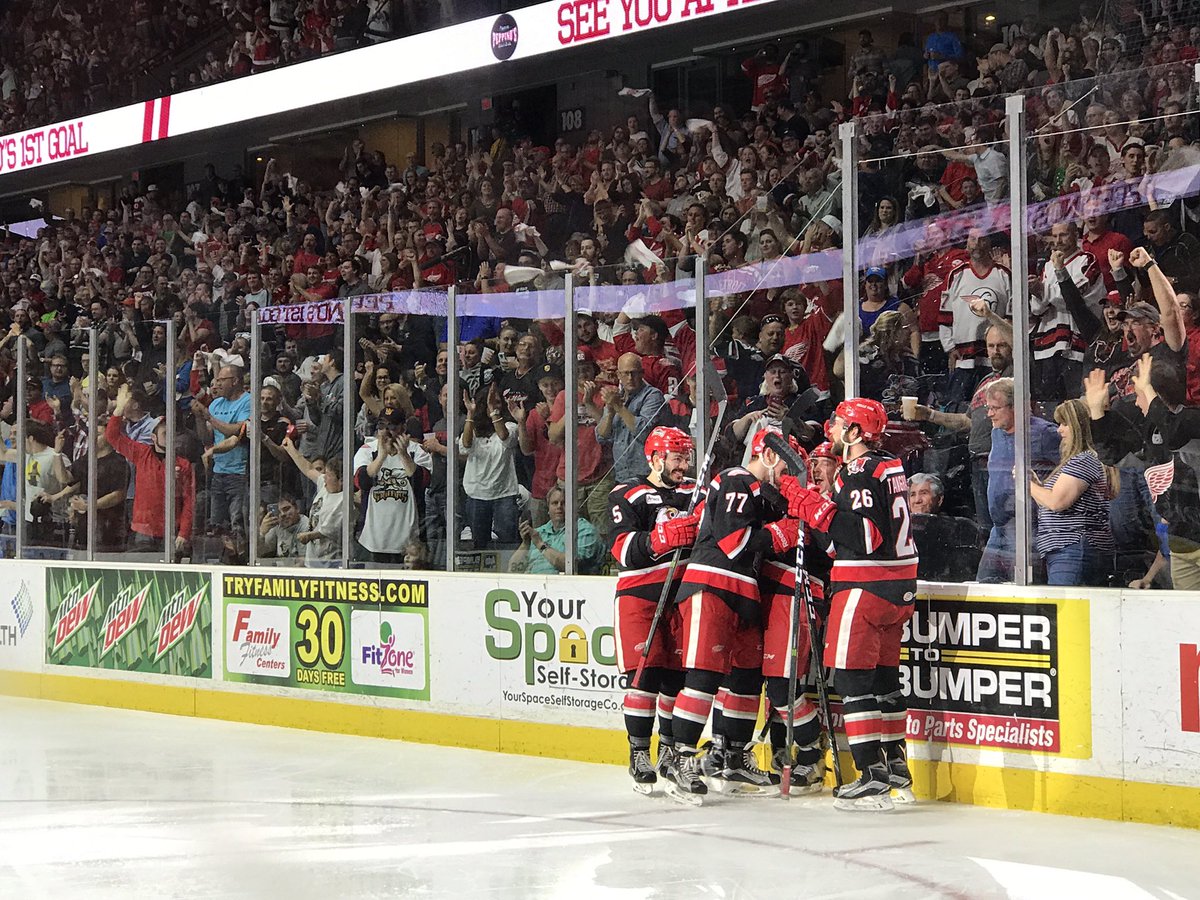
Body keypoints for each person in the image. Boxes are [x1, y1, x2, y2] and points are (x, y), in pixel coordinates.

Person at [779, 398, 917, 811]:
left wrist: (812, 506)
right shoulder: (889, 465)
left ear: (856, 433)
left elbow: (863, 538)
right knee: (885, 682)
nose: (832, 428)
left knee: (855, 683)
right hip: (900, 587)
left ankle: (871, 776)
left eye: (840, 423)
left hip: (865, 586)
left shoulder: (856, 473)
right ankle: (896, 770)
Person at [664, 427, 802, 803]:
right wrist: (782, 533)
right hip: (713, 584)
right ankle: (682, 758)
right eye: (787, 465)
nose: (790, 475)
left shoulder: (760, 492)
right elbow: (734, 541)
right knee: (704, 676)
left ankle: (733, 756)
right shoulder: (735, 480)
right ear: (770, 456)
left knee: (745, 677)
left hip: (744, 591)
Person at [609, 426, 698, 795]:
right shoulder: (627, 493)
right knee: (643, 677)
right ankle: (639, 753)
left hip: (681, 596)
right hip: (640, 595)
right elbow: (622, 548)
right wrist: (659, 539)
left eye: (686, 457)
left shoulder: (696, 493)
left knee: (675, 682)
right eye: (677, 458)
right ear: (655, 458)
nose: (683, 465)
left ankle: (669, 752)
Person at [976, 378, 1060, 583]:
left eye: (995, 408)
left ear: (1018, 406)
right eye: (988, 408)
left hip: (1025, 528)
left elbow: (1069, 468)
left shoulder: (1044, 433)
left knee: (1021, 587)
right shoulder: (997, 432)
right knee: (984, 584)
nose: (989, 414)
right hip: (999, 527)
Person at [1030, 399, 1119, 586]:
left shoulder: (1084, 460)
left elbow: (1057, 502)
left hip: (1073, 551)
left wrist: (1026, 485)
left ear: (1079, 427)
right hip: (1068, 552)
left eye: (1065, 424)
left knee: (1069, 612)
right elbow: (1051, 501)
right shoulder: (1079, 461)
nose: (1059, 430)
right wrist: (1036, 485)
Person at [106, 384, 195, 558]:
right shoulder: (142, 453)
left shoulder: (183, 464)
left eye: (172, 433)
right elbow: (112, 436)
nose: (169, 437)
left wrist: (184, 532)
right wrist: (118, 409)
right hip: (143, 529)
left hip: (171, 530)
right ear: (153, 438)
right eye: (164, 434)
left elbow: (189, 502)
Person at [353, 408, 432, 563]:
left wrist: (403, 455)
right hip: (372, 540)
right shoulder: (368, 450)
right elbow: (361, 482)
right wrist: (382, 456)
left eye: (392, 427)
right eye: (382, 426)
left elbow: (422, 482)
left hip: (408, 542)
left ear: (403, 427)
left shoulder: (417, 452)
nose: (387, 432)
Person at [596, 353, 665, 488]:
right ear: (618, 375)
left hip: (647, 476)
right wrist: (610, 413)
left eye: (634, 373)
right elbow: (601, 437)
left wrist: (619, 407)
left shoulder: (653, 396)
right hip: (621, 476)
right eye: (625, 374)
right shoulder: (616, 396)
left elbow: (643, 431)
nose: (630, 378)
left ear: (642, 373)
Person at [510, 485, 602, 574]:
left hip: (567, 586)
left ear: (574, 507)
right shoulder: (539, 532)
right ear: (548, 509)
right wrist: (525, 544)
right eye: (555, 503)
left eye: (564, 503)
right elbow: (512, 569)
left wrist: (541, 545)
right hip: (533, 585)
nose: (559, 507)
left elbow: (572, 566)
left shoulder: (585, 530)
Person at [282, 437, 344, 567]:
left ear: (341, 480)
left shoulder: (344, 500)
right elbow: (309, 468)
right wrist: (291, 449)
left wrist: (307, 536)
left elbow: (327, 531)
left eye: (328, 475)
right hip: (314, 560)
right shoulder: (324, 486)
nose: (324, 477)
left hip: (332, 562)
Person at [258, 494, 309, 565]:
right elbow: (260, 552)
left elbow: (303, 561)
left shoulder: (305, 525)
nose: (282, 514)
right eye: (278, 512)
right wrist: (262, 533)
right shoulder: (277, 525)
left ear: (297, 508)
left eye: (286, 509)